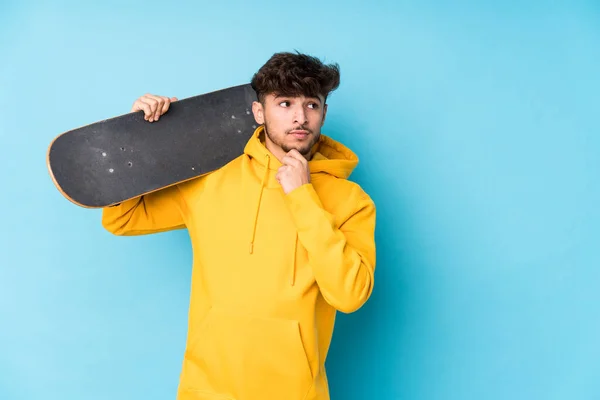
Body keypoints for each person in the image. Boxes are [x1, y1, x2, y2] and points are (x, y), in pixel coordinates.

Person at [101, 51, 377, 400]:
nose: (299, 117)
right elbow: (123, 218)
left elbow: (350, 295)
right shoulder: (211, 179)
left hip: (293, 392)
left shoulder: (351, 201)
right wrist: (139, 139)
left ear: (323, 112)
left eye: (312, 105)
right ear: (259, 112)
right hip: (207, 389)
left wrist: (303, 196)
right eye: (285, 103)